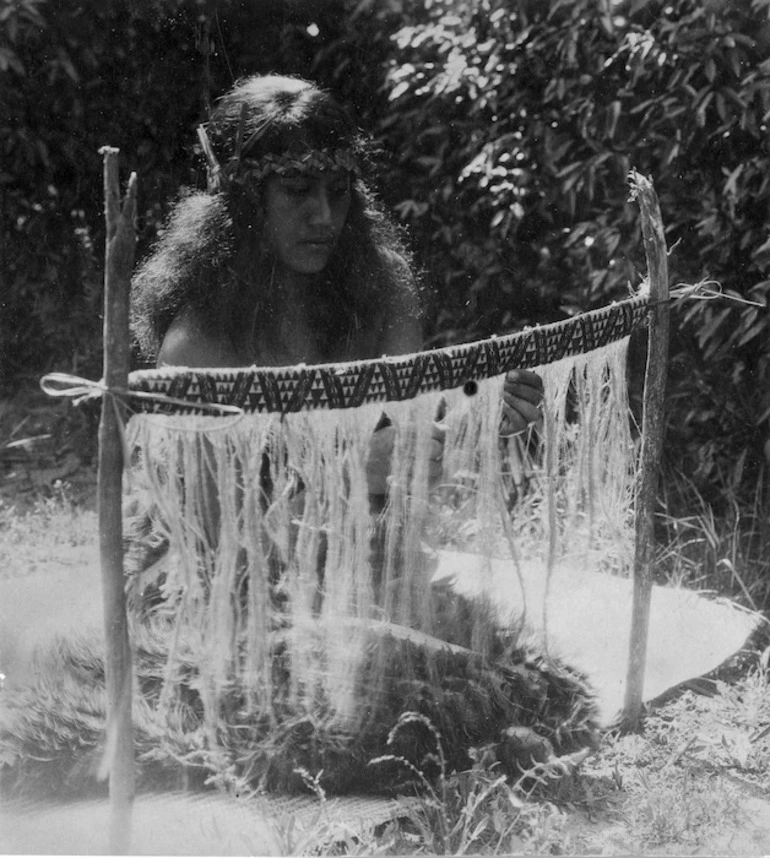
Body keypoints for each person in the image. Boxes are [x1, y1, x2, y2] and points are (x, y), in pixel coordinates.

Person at [130, 73, 542, 497]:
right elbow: (203, 524)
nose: (325, 216)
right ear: (245, 202)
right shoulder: (197, 341)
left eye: (338, 190)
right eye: (297, 190)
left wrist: (480, 407)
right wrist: (347, 475)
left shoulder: (383, 292)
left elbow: (413, 430)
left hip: (375, 551)